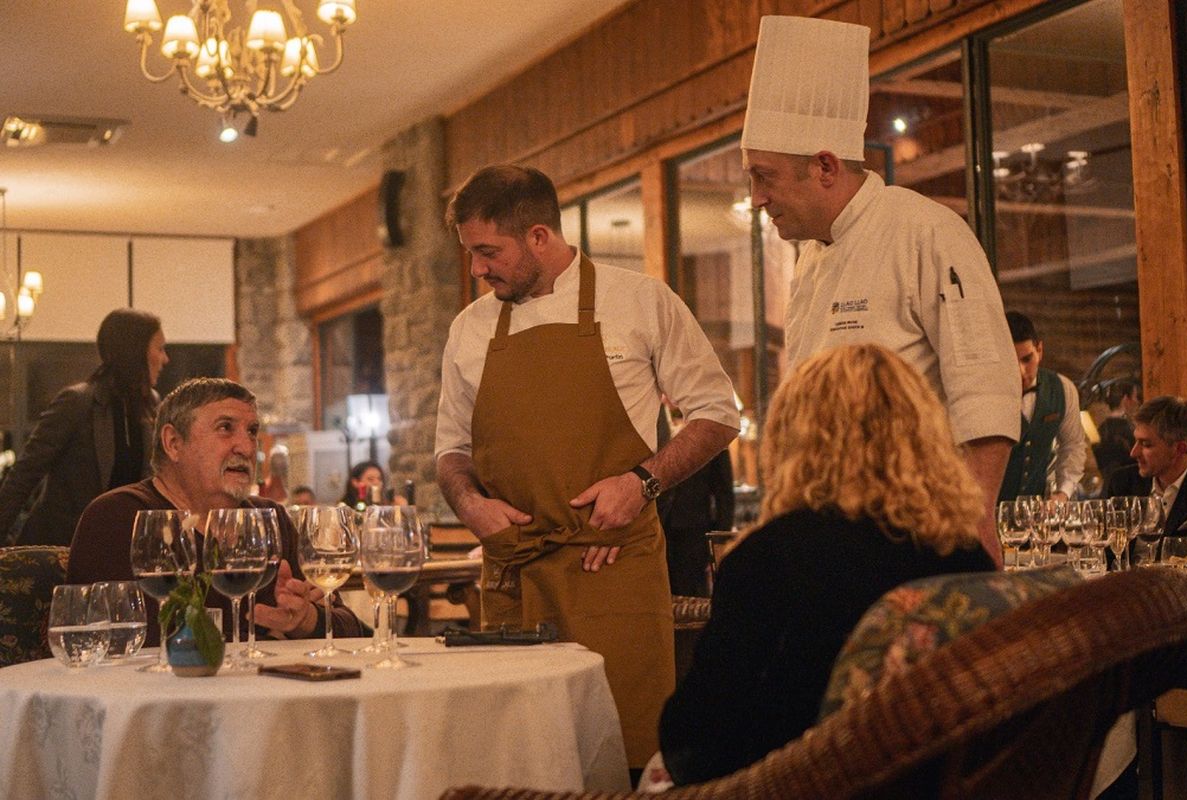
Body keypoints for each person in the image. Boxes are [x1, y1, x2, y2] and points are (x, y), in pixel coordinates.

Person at [435, 164, 740, 769]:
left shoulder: (641, 301)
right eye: (470, 253)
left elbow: (716, 414)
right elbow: (451, 452)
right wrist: (469, 504)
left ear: (540, 237)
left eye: (488, 252)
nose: (477, 269)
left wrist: (641, 484)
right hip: (514, 575)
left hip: (614, 570)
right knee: (518, 762)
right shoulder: (469, 330)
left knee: (620, 754)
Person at [739, 15, 1020, 563]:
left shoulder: (927, 230)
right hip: (826, 531)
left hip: (915, 531)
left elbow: (984, 384)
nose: (755, 198)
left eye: (764, 176)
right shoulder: (809, 257)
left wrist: (978, 519)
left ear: (823, 166)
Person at [657, 344, 995, 786]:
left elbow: (695, 745)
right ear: (923, 432)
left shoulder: (768, 558)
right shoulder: (965, 553)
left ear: (796, 437)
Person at [68, 378, 366, 646]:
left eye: (251, 432)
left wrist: (306, 622)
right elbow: (124, 639)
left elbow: (353, 631)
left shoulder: (269, 519)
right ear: (173, 443)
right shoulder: (120, 517)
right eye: (225, 428)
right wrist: (263, 639)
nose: (247, 447)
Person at [0, 308, 168, 546]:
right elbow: (24, 474)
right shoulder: (77, 402)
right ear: (135, 352)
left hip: (118, 545)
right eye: (159, 348)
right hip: (61, 547)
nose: (165, 358)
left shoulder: (151, 403)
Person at [998, 311, 1086, 501]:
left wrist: (1063, 492)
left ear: (1039, 350)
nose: (1020, 371)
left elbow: (1073, 445)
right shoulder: (985, 395)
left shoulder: (1063, 389)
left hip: (1034, 515)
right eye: (1011, 361)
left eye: (1027, 359)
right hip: (986, 512)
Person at [656, 403, 734, 597]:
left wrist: (720, 542)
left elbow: (724, 494)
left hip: (695, 530)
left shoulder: (712, 435)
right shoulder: (659, 429)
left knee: (692, 593)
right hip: (660, 527)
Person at [1105, 395, 1187, 552]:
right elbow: (1107, 554)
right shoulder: (1122, 482)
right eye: (1136, 441)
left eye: (1146, 444)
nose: (1133, 453)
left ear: (1179, 449)